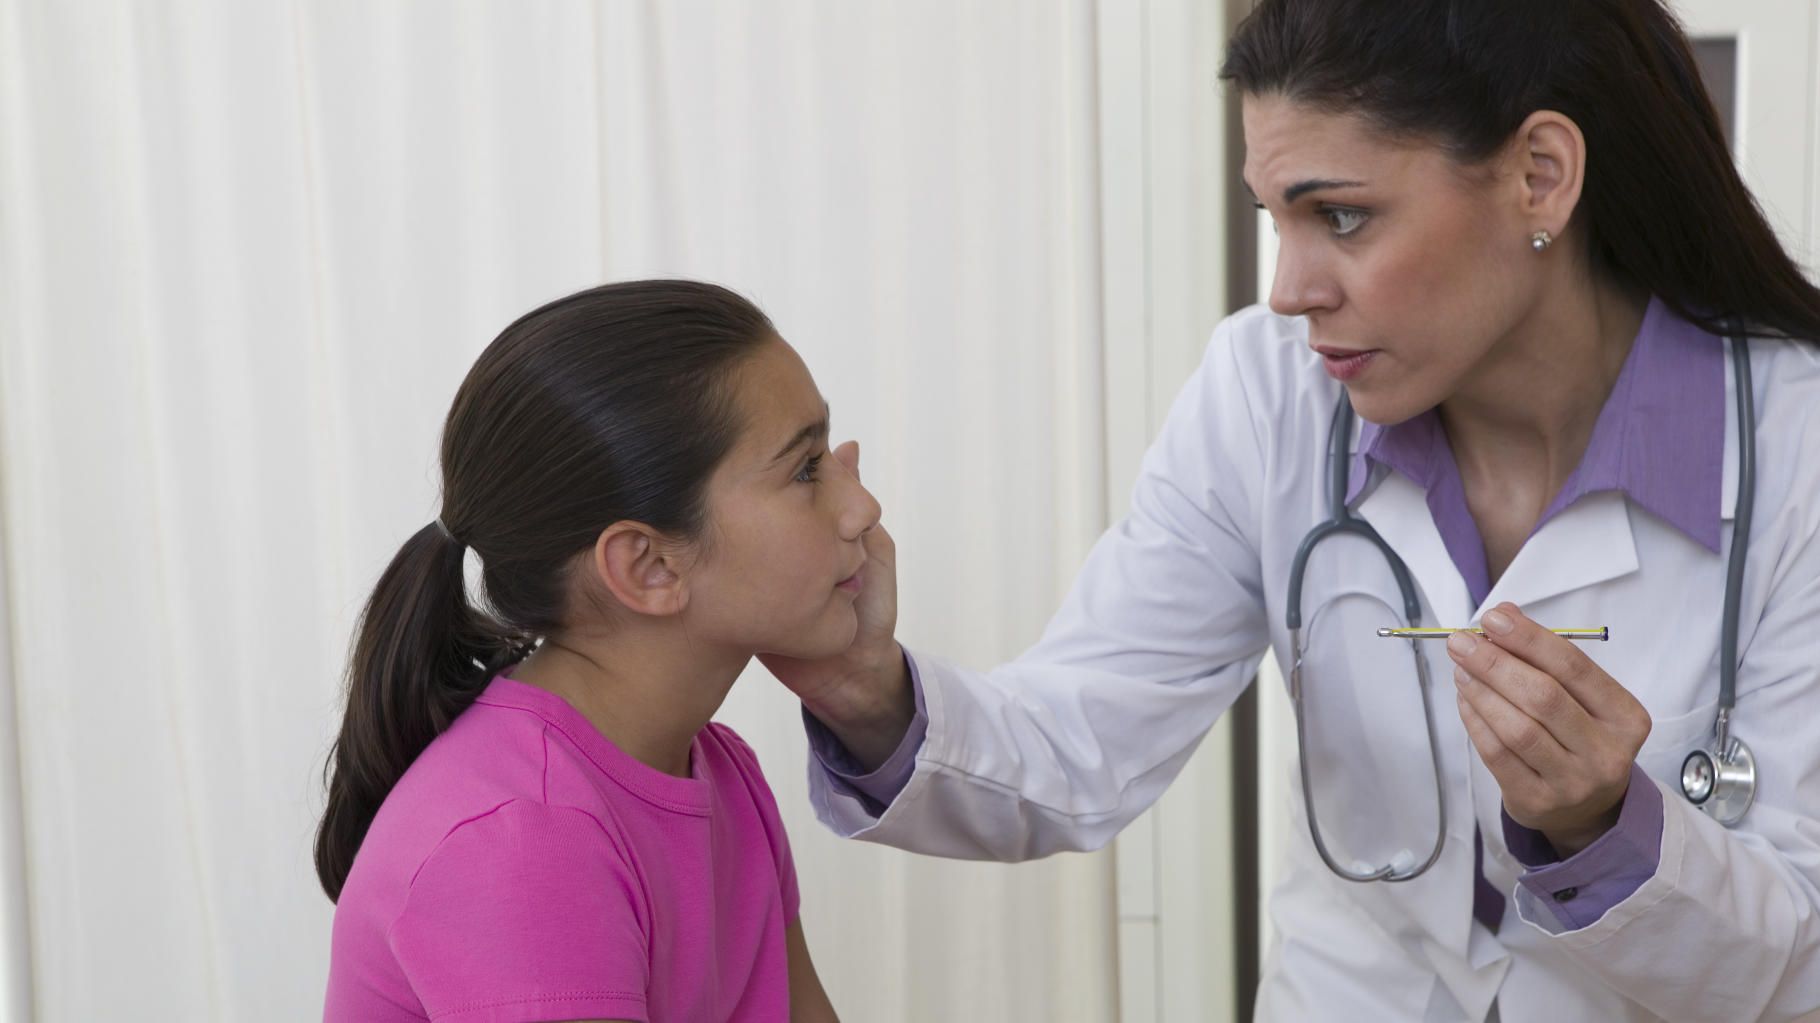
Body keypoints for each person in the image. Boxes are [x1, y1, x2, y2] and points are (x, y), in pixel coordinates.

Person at [768, 1, 1820, 1019]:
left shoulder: (1793, 444)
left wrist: (1604, 827)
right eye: (1274, 219)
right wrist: (867, 695)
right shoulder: (1264, 392)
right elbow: (1077, 739)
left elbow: (1799, 964)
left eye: (1341, 216)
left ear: (1537, 177)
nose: (1286, 287)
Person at [316, 280, 865, 1022]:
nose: (861, 506)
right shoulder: (522, 838)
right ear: (648, 566)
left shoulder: (723, 774)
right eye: (805, 469)